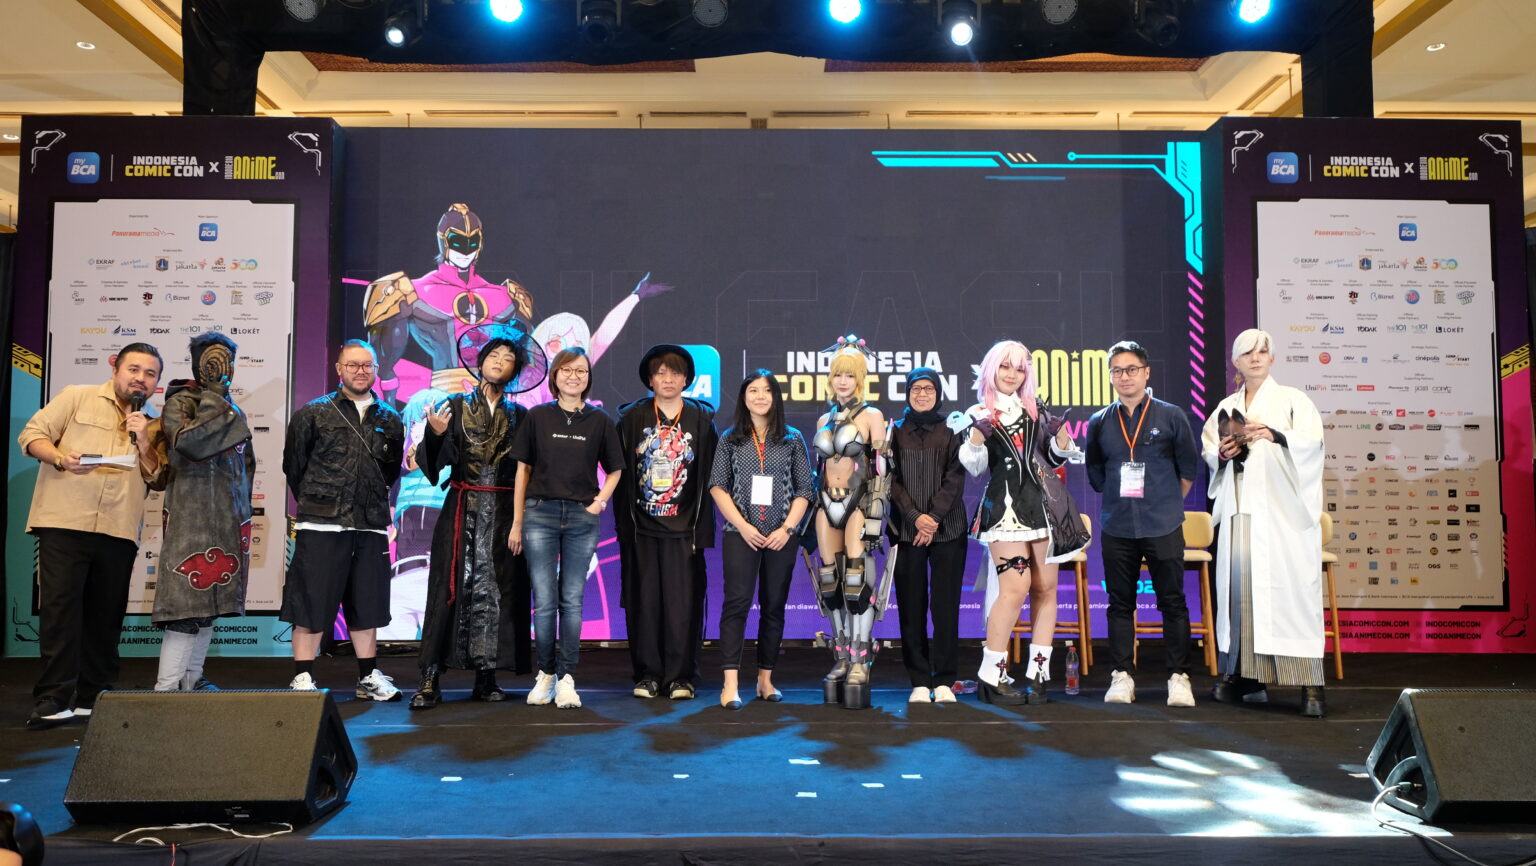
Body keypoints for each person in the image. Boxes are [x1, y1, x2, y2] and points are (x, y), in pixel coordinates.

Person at [18, 343, 166, 730]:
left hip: (119, 528)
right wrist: (59, 458)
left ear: (156, 384)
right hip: (64, 520)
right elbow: (32, 435)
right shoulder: (77, 396)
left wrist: (144, 440)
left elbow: (158, 477)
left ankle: (94, 696)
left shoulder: (153, 423)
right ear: (115, 369)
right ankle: (53, 697)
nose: (141, 379)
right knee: (60, 612)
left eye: (150, 374)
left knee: (106, 615)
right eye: (134, 369)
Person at [410, 323, 546, 709]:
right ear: (480, 362)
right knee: (445, 590)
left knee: (498, 591)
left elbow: (529, 471)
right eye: (493, 356)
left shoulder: (521, 416)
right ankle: (430, 678)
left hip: (503, 514)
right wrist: (436, 434)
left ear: (515, 371)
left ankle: (486, 677)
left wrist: (522, 520)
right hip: (461, 508)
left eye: (508, 359)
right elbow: (434, 464)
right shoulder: (453, 406)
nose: (499, 362)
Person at [1201, 328, 1327, 717]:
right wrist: (1224, 453)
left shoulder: (1293, 400)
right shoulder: (1226, 407)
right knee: (1242, 596)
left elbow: (1313, 444)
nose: (1255, 358)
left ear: (1272, 358)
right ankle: (1247, 679)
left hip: (1282, 515)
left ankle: (1310, 684)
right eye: (1247, 353)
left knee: (1292, 594)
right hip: (1242, 513)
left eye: (1262, 351)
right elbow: (1210, 450)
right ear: (1235, 362)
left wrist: (1274, 434)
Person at [959, 340, 1088, 706]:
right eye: (1005, 366)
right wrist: (976, 436)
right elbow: (974, 466)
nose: (1012, 375)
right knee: (1015, 589)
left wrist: (1061, 438)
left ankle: (1039, 675)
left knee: (1046, 588)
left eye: (1019, 368)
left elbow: (1053, 458)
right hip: (1006, 510)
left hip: (1044, 508)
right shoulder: (979, 411)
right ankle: (991, 674)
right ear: (991, 369)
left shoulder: (1035, 409)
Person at [281, 340, 405, 700]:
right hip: (322, 524)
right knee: (311, 602)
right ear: (339, 369)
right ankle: (302, 677)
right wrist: (321, 499)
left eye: (367, 365)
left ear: (376, 370)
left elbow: (390, 471)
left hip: (369, 524)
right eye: (353, 365)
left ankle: (368, 678)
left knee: (367, 604)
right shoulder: (313, 413)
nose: (360, 371)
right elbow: (294, 466)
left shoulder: (390, 419)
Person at [1084, 340, 1200, 707]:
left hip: (1163, 522)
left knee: (1173, 602)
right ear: (1110, 376)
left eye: (1131, 369)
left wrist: (1164, 502)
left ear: (1146, 372)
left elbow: (1188, 468)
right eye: (1117, 370)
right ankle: (1122, 676)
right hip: (1117, 524)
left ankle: (1179, 677)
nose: (1124, 376)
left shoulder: (1171, 416)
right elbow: (1095, 471)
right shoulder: (1099, 421)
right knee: (1120, 603)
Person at [509, 347, 623, 709]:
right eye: (567, 370)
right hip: (539, 514)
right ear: (555, 376)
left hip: (581, 518)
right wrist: (517, 522)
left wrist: (599, 502)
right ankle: (545, 674)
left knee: (572, 602)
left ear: (589, 378)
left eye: (581, 371)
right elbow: (522, 471)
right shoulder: (537, 417)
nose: (574, 377)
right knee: (544, 602)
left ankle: (567, 678)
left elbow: (616, 469)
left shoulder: (599, 420)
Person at [152, 332, 255, 693]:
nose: (221, 370)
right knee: (185, 609)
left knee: (210, 606)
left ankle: (192, 679)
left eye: (227, 362)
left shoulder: (233, 410)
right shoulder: (180, 403)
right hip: (190, 522)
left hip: (226, 521)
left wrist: (242, 516)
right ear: (198, 365)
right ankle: (166, 688)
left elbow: (246, 470)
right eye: (213, 362)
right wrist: (212, 396)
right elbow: (191, 444)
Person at [614, 345, 718, 700]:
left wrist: (703, 529)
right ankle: (648, 675)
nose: (668, 379)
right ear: (650, 379)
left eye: (675, 373)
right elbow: (618, 472)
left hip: (684, 531)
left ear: (686, 379)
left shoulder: (701, 421)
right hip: (641, 530)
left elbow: (712, 476)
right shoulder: (631, 419)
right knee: (644, 605)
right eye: (661, 373)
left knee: (683, 607)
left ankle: (681, 677)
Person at [708, 371, 814, 709]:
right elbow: (717, 486)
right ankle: (730, 685)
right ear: (744, 397)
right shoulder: (730, 438)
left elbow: (805, 490)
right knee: (736, 604)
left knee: (774, 606)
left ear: (776, 397)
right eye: (753, 390)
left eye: (767, 391)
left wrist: (787, 529)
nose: (760, 396)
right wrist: (742, 525)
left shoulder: (792, 438)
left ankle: (765, 680)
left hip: (782, 536)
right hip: (741, 534)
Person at [810, 335, 891, 710]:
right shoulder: (824, 419)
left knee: (857, 580)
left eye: (850, 375)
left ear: (860, 379)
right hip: (826, 503)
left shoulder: (872, 416)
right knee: (831, 582)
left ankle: (860, 658)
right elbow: (820, 469)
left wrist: (875, 514)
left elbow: (882, 471)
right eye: (838, 375)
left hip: (859, 502)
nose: (843, 381)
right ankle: (841, 655)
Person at [887, 367, 969, 704]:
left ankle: (945, 680)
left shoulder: (953, 429)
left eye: (929, 389)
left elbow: (956, 477)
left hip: (948, 529)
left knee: (946, 606)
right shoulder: (894, 431)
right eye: (916, 389)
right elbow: (890, 479)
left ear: (938, 393)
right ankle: (919, 680)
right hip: (907, 531)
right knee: (911, 606)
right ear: (907, 393)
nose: (922, 394)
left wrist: (932, 518)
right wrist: (915, 518)